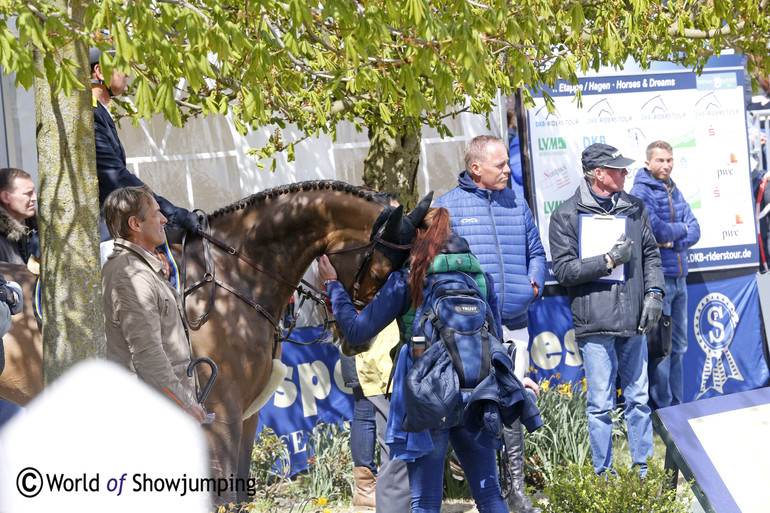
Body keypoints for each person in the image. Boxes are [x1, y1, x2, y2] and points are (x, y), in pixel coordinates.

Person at [319, 205, 541, 513]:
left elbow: (356, 331)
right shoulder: (480, 278)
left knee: (425, 501)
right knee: (490, 494)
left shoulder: (408, 280)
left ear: (416, 241)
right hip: (477, 395)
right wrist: (515, 378)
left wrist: (333, 286)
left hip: (429, 399)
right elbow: (494, 339)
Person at [434, 134, 545, 512]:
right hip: (471, 332)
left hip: (514, 319)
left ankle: (515, 491)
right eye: (501, 165)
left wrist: (533, 285)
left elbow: (537, 252)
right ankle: (485, 485)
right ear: (476, 167)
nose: (509, 170)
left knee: (512, 401)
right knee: (475, 406)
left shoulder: (517, 202)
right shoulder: (447, 207)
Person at [549, 142, 664, 476]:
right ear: (598, 174)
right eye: (618, 169)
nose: (626, 173)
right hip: (594, 324)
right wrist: (608, 260)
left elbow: (652, 256)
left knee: (639, 400)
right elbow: (564, 271)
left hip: (634, 321)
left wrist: (654, 293)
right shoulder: (566, 215)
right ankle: (604, 477)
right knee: (599, 405)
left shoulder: (635, 208)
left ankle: (642, 473)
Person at [101, 185, 206, 423]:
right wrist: (184, 402)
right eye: (157, 213)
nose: (164, 219)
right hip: (153, 414)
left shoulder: (140, 267)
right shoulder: (130, 274)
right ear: (135, 225)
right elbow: (147, 353)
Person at [630, 141, 700, 409]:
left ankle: (678, 407)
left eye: (669, 160)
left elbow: (695, 229)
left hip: (681, 278)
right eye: (660, 160)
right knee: (662, 349)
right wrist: (676, 233)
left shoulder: (674, 188)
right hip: (660, 280)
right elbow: (656, 231)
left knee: (679, 348)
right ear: (648, 163)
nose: (666, 165)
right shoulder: (641, 191)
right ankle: (664, 411)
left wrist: (674, 240)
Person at [339, 351, 377, 509]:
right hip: (370, 351)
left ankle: (365, 491)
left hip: (353, 346)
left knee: (363, 412)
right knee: (366, 412)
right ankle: (367, 490)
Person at [0, 168, 37, 265]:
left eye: (33, 192)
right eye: (28, 193)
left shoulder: (36, 231)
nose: (35, 198)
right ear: (5, 197)